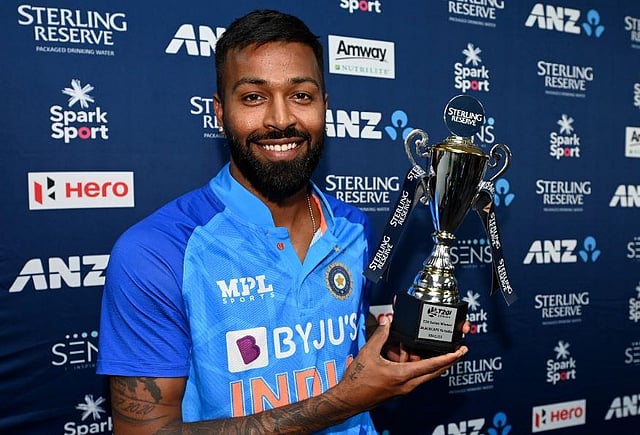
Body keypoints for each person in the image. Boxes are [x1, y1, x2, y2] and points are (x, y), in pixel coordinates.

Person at [97, 9, 469, 434]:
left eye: (301, 96)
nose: (280, 119)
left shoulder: (352, 227)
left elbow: (334, 337)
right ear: (220, 111)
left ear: (325, 105)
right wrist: (341, 403)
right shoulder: (157, 250)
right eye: (253, 97)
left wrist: (397, 345)